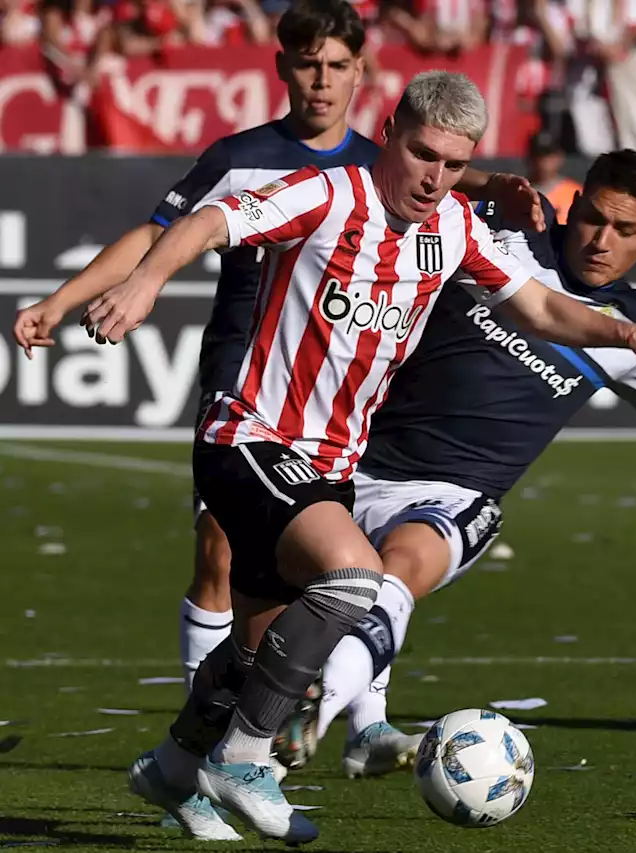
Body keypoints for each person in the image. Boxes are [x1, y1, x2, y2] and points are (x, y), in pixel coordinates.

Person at [84, 71, 636, 845]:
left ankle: (175, 768)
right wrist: (146, 282)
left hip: (331, 466)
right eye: (423, 154)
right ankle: (243, 757)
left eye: (454, 164)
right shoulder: (327, 194)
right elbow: (212, 220)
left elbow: (546, 307)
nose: (435, 178)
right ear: (390, 132)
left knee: (253, 648)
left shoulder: (453, 228)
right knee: (353, 578)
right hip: (250, 437)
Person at [11, 0, 543, 702]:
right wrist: (64, 298)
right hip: (244, 376)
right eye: (307, 62)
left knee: (319, 568)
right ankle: (212, 720)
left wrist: (494, 183)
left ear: (362, 73)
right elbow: (155, 235)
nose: (321, 80)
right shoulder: (241, 159)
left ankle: (324, 715)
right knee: (220, 550)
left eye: (337, 66)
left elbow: (448, 177)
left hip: (337, 393)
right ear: (282, 65)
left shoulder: (383, 164)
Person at [265, 150, 636, 779]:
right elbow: (414, 173)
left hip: (453, 494)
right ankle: (361, 730)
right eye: (595, 219)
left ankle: (311, 714)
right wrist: (496, 184)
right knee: (276, 606)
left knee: (399, 570)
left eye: (625, 231)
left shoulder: (634, 334)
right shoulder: (500, 237)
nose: (602, 241)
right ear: (572, 209)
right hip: (349, 461)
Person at [526, 129, 582, 224]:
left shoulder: (575, 192)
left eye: (548, 155)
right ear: (529, 158)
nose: (544, 161)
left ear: (560, 157)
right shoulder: (519, 191)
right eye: (538, 155)